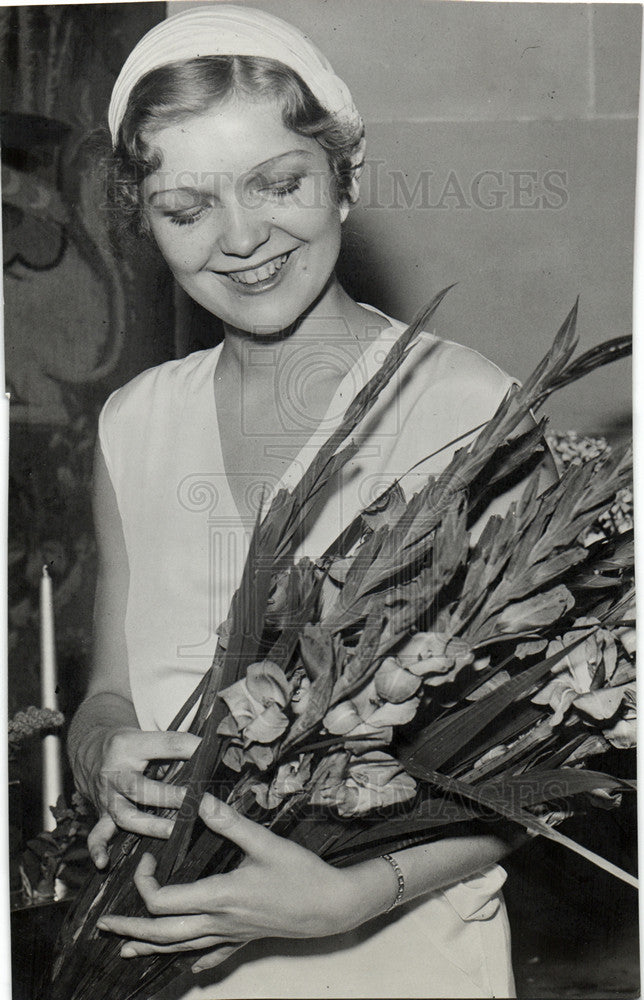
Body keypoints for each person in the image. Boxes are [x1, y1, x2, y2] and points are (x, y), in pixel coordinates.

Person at [67, 7, 555, 998]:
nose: (240, 239)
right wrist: (103, 751)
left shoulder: (466, 410)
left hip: (398, 959)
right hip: (172, 957)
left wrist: (350, 897)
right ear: (141, 217)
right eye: (185, 207)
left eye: (276, 183)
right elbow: (109, 693)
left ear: (345, 177)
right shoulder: (134, 423)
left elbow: (540, 759)